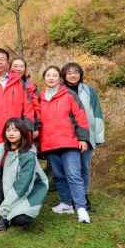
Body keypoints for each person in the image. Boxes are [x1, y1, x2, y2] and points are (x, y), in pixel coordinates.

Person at [39, 66, 91, 223]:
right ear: (44, 78)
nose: (51, 78)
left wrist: (83, 138)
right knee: (59, 176)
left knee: (73, 175)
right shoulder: (39, 97)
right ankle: (66, 204)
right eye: (48, 75)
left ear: (59, 78)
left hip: (69, 142)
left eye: (54, 75)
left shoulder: (69, 94)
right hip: (50, 143)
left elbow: (81, 116)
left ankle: (81, 208)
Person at [0, 118, 48, 231]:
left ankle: (6, 215)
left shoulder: (28, 155)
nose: (11, 133)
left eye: (15, 130)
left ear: (22, 133)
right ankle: (4, 215)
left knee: (21, 220)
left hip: (24, 192)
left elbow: (22, 185)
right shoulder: (2, 148)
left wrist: (6, 207)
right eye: (8, 130)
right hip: (7, 187)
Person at [61, 62, 105, 211]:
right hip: (67, 137)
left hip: (87, 135)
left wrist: (98, 136)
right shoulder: (60, 91)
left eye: (76, 72)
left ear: (80, 74)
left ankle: (84, 196)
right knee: (70, 168)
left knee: (84, 167)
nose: (73, 75)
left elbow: (97, 113)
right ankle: (71, 198)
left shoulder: (89, 91)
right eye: (69, 73)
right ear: (64, 75)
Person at [10, 57, 40, 139]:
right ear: (9, 68)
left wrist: (36, 127)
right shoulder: (5, 84)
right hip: (9, 127)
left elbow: (36, 108)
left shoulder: (31, 86)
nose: (18, 69)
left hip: (27, 125)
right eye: (15, 66)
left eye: (21, 66)